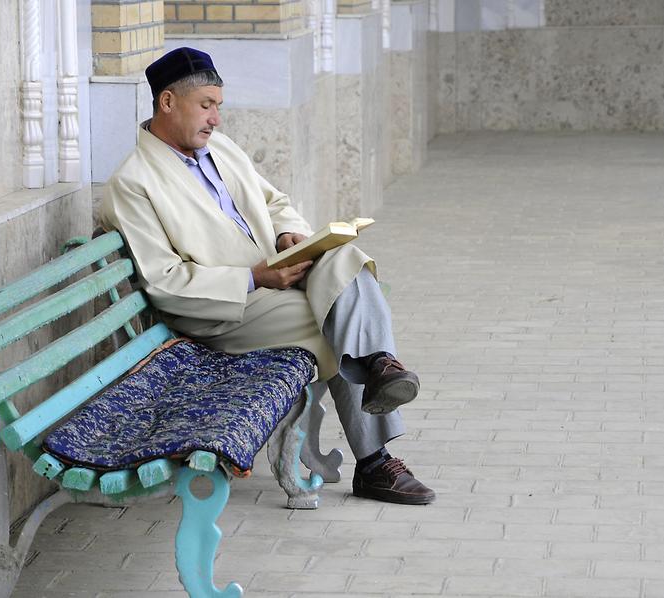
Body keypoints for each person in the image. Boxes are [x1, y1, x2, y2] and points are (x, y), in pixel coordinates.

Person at [100, 47, 435, 505]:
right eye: (206, 105)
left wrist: (289, 235)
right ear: (167, 102)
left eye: (219, 105)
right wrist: (255, 279)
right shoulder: (133, 183)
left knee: (346, 259)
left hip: (275, 276)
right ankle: (374, 459)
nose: (216, 118)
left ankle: (378, 364)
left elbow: (276, 202)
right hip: (223, 310)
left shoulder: (220, 148)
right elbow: (166, 283)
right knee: (335, 320)